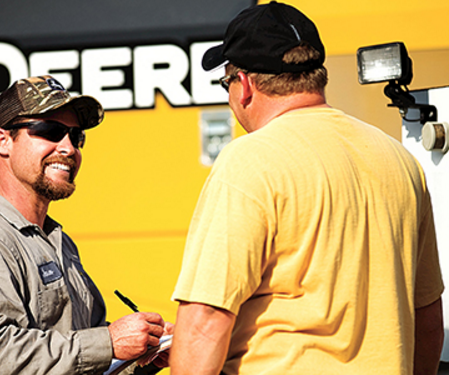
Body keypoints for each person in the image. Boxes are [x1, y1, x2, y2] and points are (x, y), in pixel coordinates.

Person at [170, 2, 444, 375]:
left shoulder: (251, 160)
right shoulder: (399, 160)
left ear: (245, 85)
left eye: (226, 83)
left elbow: (205, 320)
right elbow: (427, 317)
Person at [0, 75, 171, 375]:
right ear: (2, 141)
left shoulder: (58, 242)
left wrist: (143, 352)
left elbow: (80, 357)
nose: (69, 148)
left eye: (76, 136)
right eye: (51, 131)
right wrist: (108, 343)